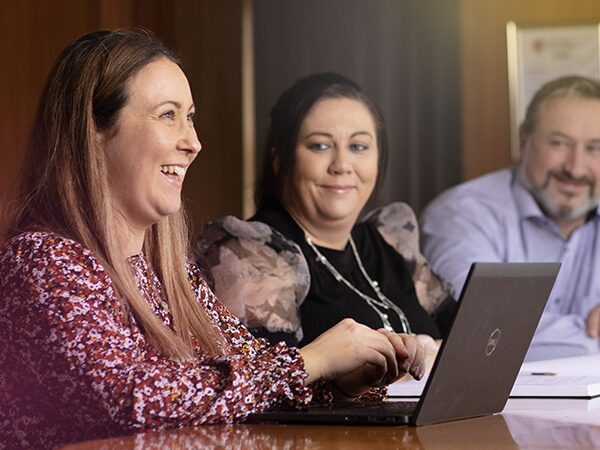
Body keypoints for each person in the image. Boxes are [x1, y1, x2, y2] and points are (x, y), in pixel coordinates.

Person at [0, 31, 426, 449]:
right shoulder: (42, 260)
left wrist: (343, 384)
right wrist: (312, 361)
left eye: (190, 117)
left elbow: (253, 378)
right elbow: (130, 399)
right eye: (168, 115)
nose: (193, 142)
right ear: (92, 129)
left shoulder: (170, 272)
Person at [196, 72, 455, 353]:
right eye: (320, 146)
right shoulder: (252, 255)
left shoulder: (389, 242)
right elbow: (271, 384)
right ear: (279, 159)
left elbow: (477, 337)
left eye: (358, 147)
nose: (342, 165)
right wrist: (434, 357)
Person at [420, 75, 600, 362]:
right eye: (559, 143)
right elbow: (489, 329)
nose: (576, 168)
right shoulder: (460, 213)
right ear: (524, 139)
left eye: (595, 148)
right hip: (492, 406)